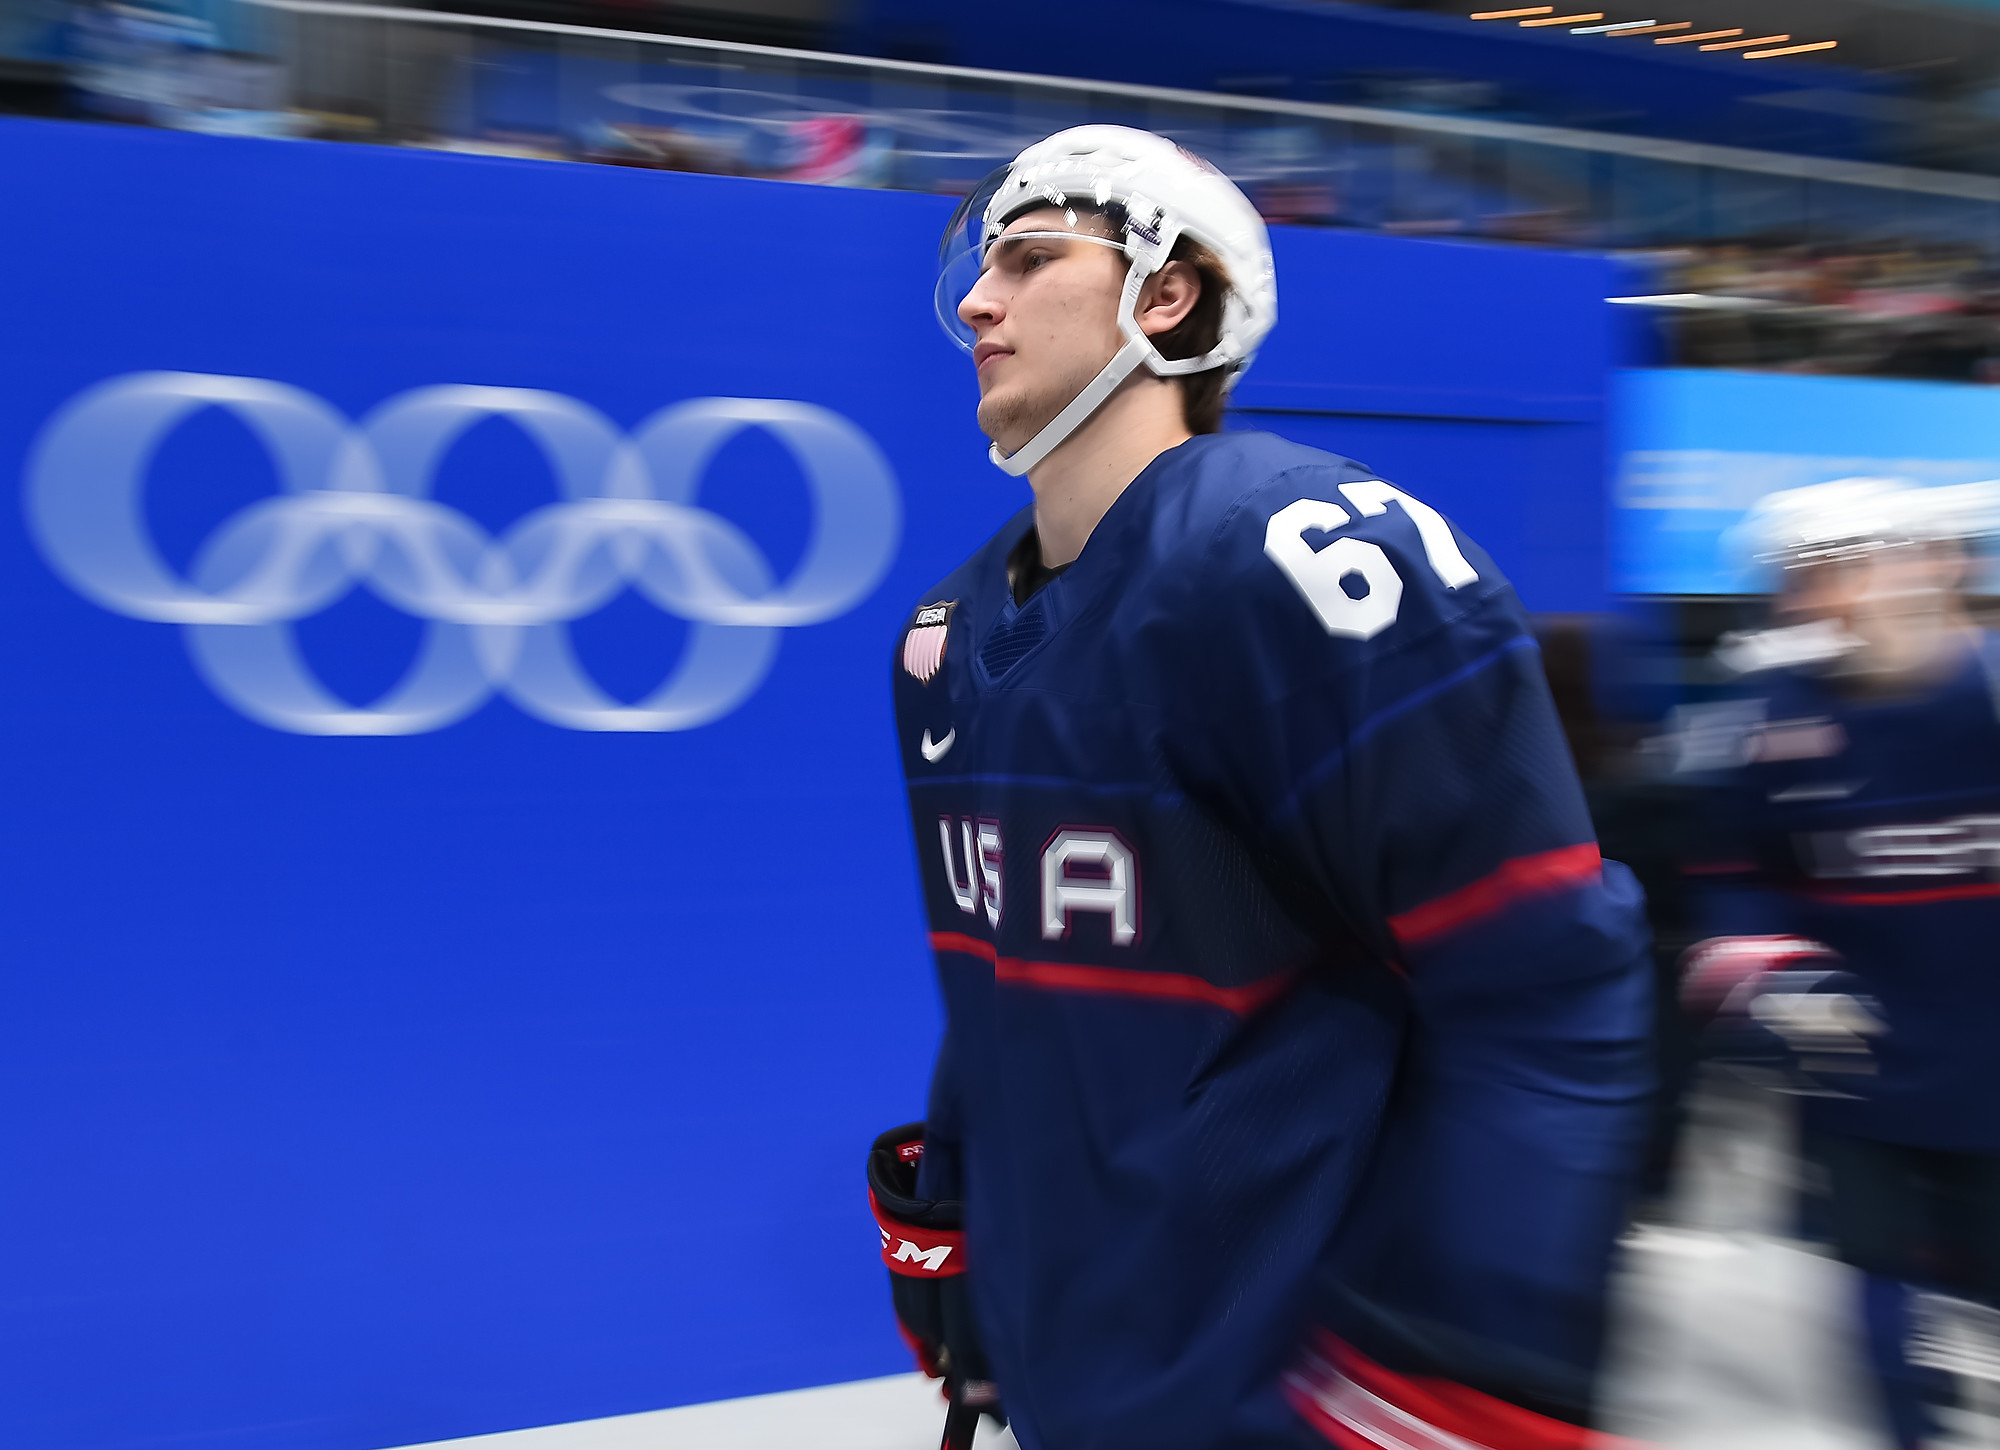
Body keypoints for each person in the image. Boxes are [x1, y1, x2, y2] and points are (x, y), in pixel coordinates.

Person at [870, 125, 1653, 1450]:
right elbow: (1004, 988)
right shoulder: (944, 634)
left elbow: (1542, 989)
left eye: (1031, 257)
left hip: (1295, 1392)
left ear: (1165, 294)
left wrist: (1464, 1361)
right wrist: (963, 1222)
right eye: (982, 266)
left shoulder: (1304, 556)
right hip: (1080, 1374)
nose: (980, 303)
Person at [1683, 478, 2000, 1450]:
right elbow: (1732, 878)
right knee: (1877, 1267)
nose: (1822, 598)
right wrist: (1778, 980)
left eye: (1843, 568)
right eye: (1801, 577)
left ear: (1934, 564)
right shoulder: (1763, 726)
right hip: (1859, 1063)